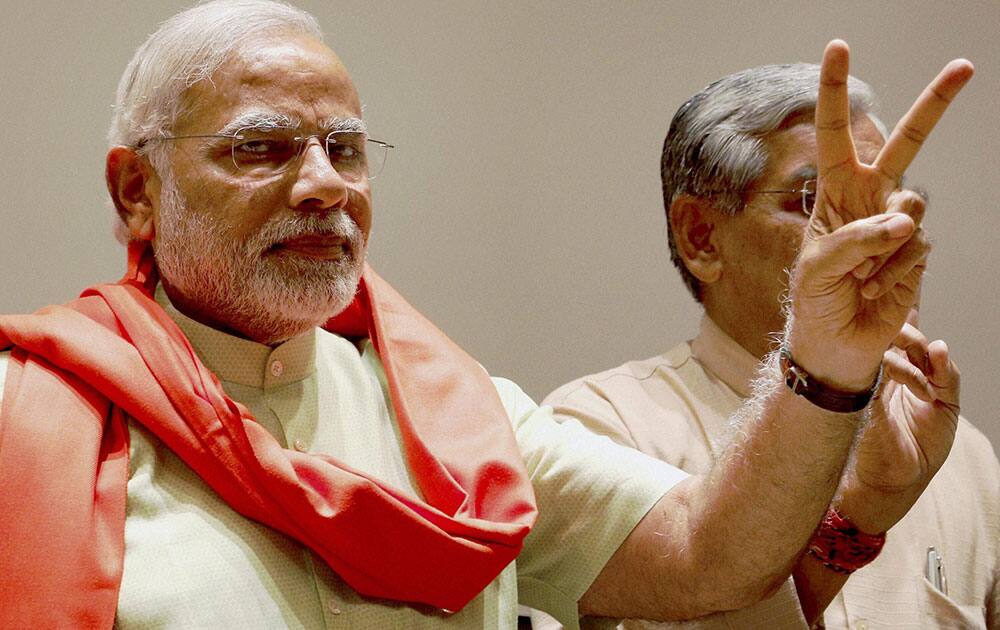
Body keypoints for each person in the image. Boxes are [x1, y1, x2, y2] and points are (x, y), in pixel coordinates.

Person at [0, 1, 973, 628]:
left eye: (346, 147)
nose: (321, 185)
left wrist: (820, 355)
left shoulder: (466, 424)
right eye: (261, 149)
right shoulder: (25, 425)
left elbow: (707, 558)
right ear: (136, 191)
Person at [541, 63, 998, 628]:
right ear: (701, 237)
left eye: (892, 205)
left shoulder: (962, 453)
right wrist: (859, 517)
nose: (879, 236)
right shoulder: (600, 429)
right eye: (819, 201)